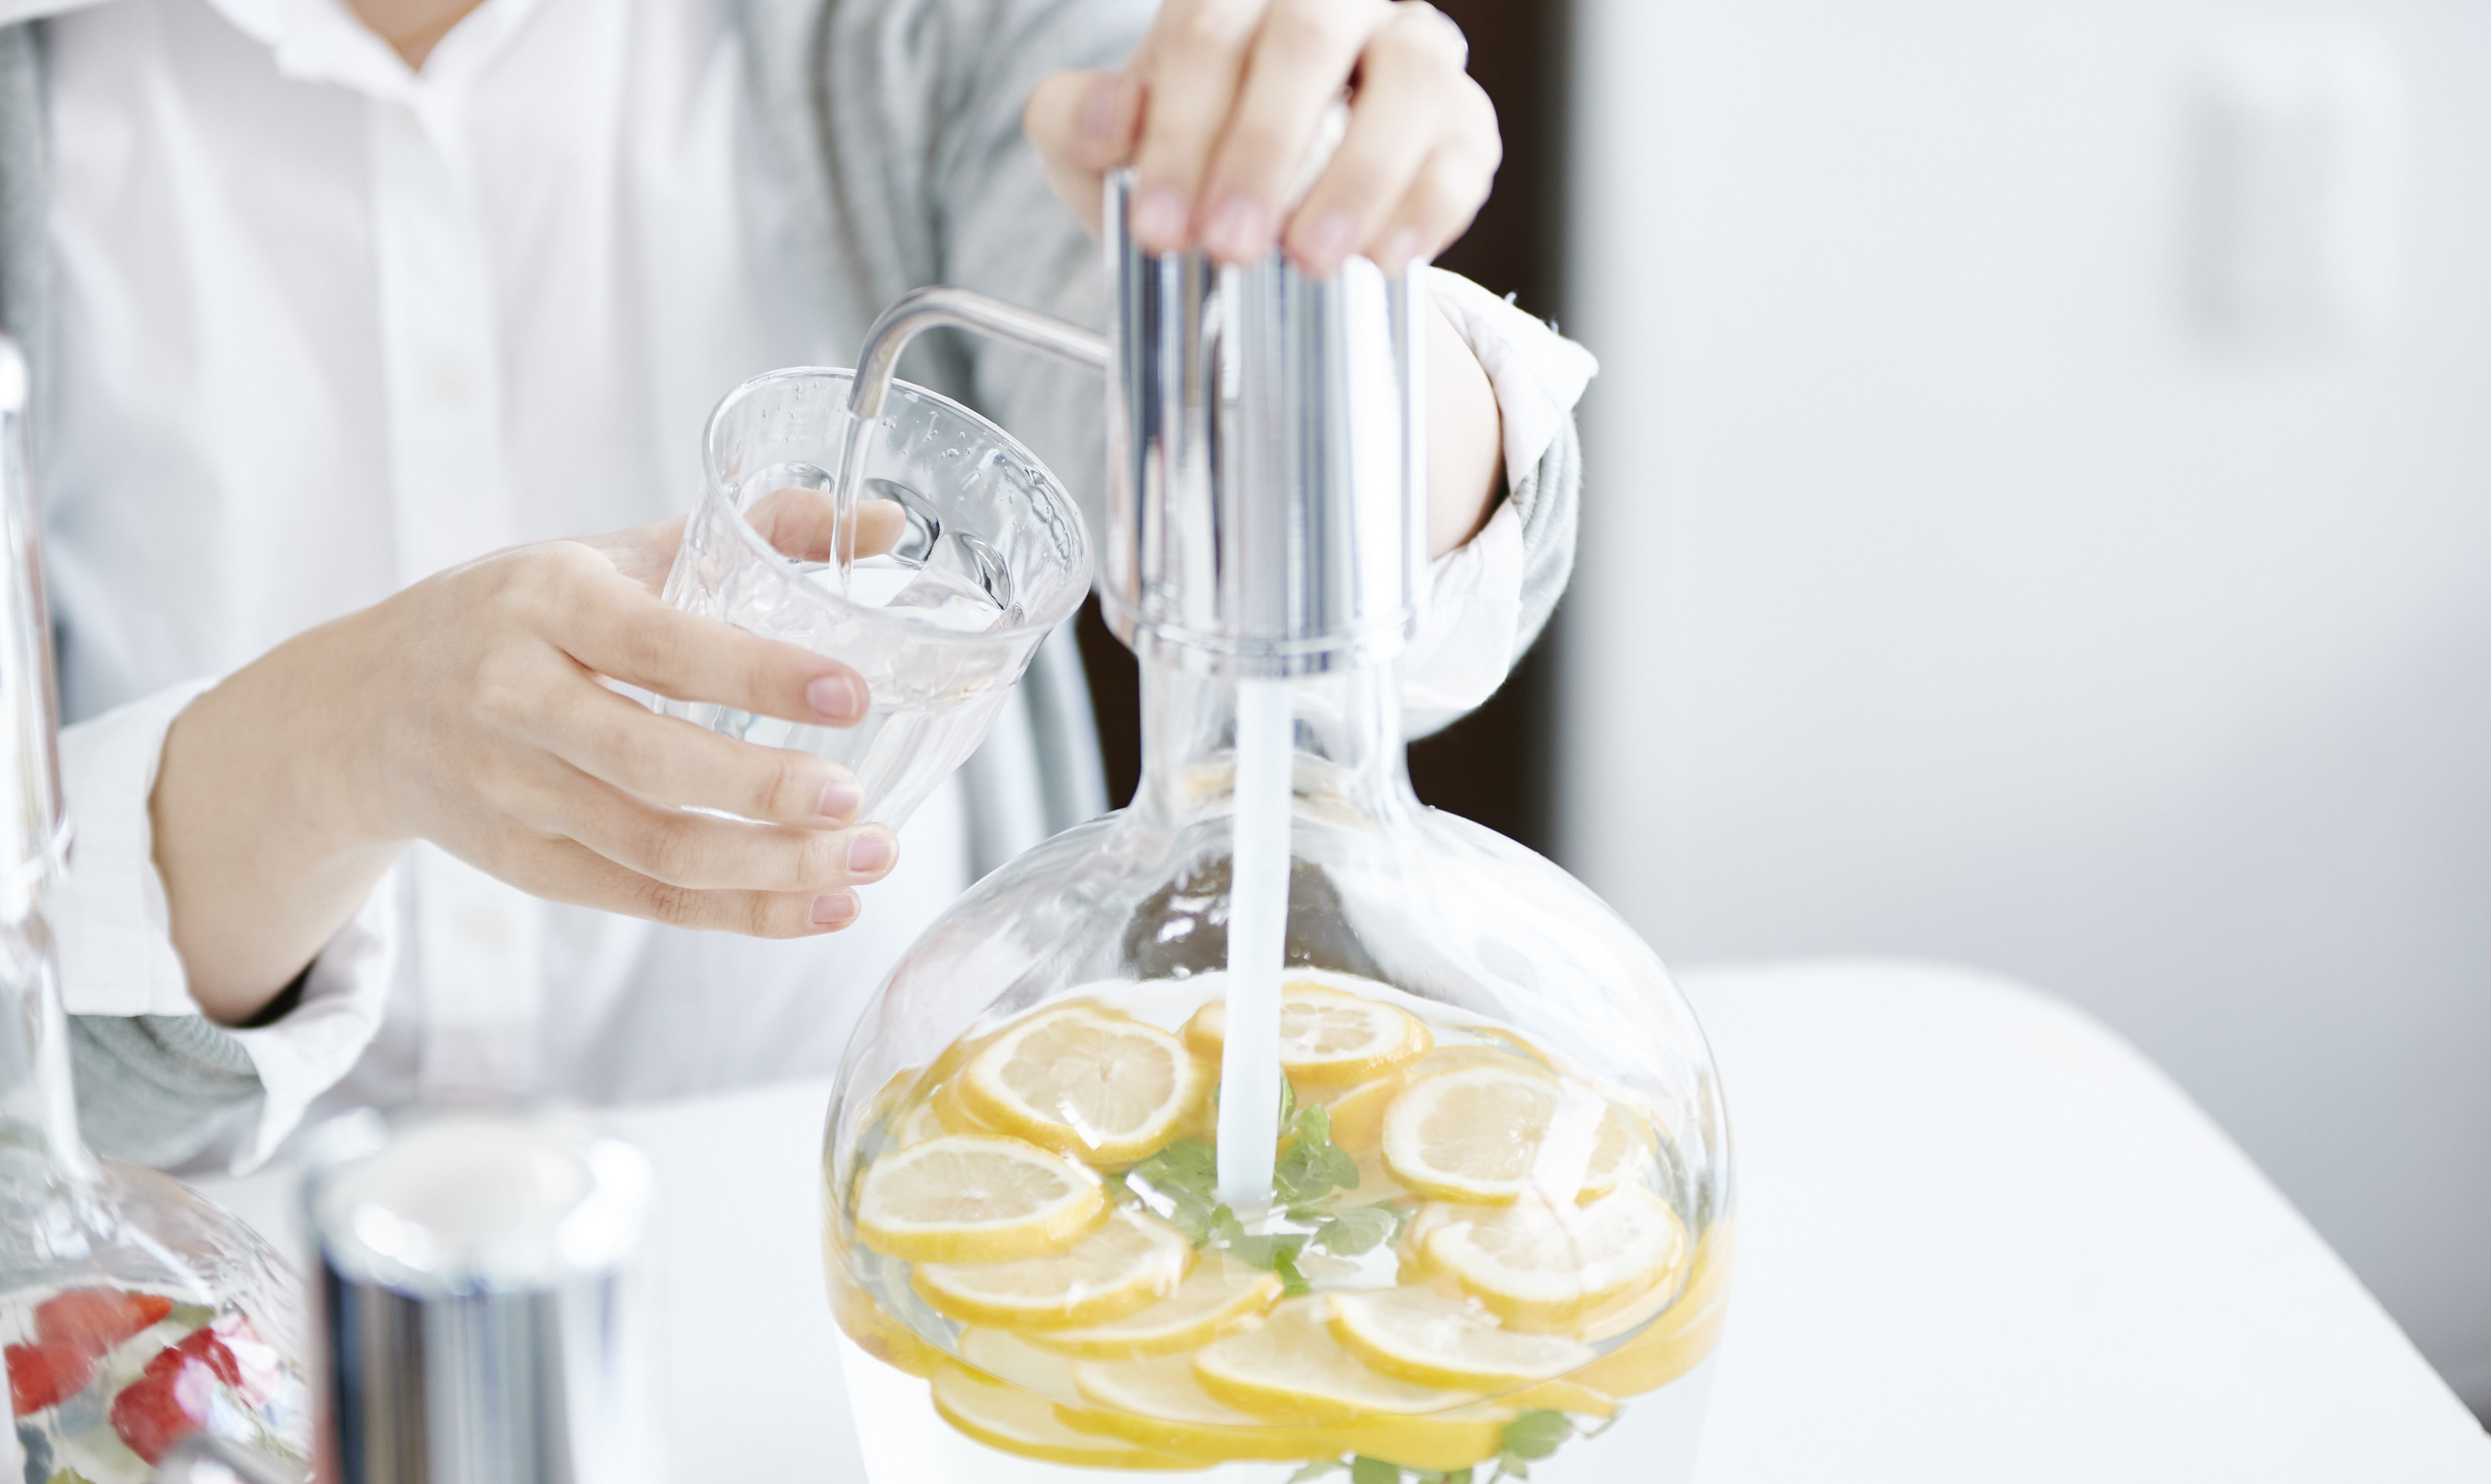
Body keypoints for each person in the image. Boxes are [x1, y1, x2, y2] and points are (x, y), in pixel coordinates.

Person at [0, 0, 1596, 1172]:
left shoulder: (931, 34)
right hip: (174, 1353)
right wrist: (339, 741)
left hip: (902, 1252)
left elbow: (1345, 609)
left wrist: (1308, 279)